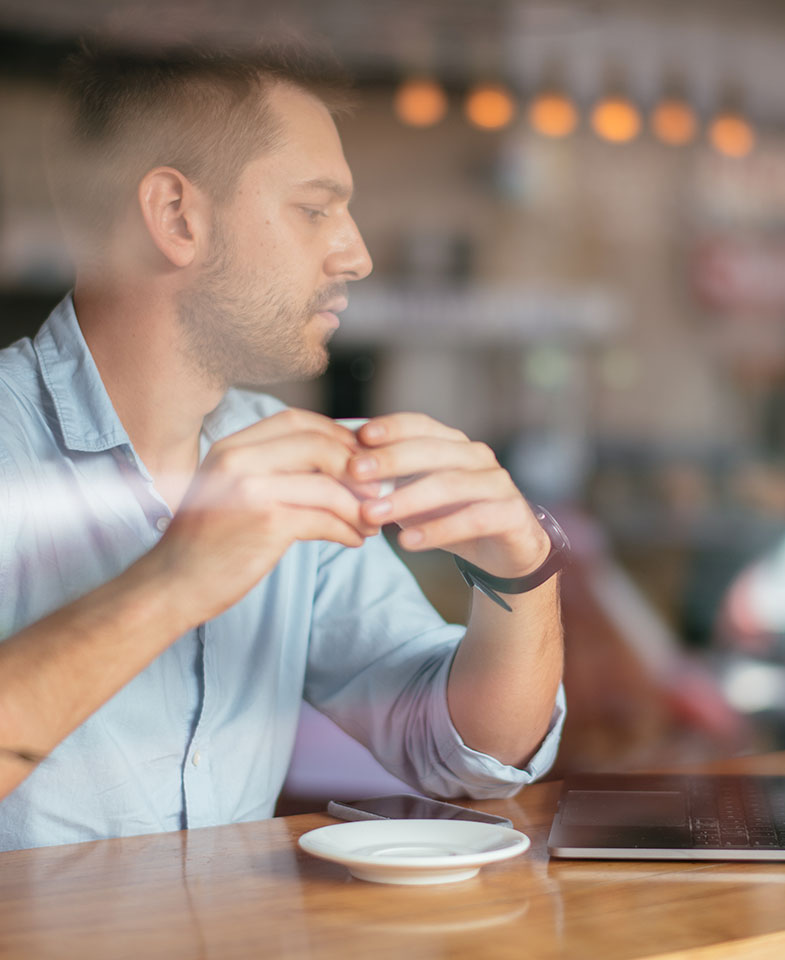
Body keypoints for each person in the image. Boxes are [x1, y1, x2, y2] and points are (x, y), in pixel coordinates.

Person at [0, 41, 566, 850]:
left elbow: (468, 754)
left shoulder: (283, 467)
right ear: (176, 217)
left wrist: (520, 570)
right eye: (314, 209)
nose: (357, 254)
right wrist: (174, 580)